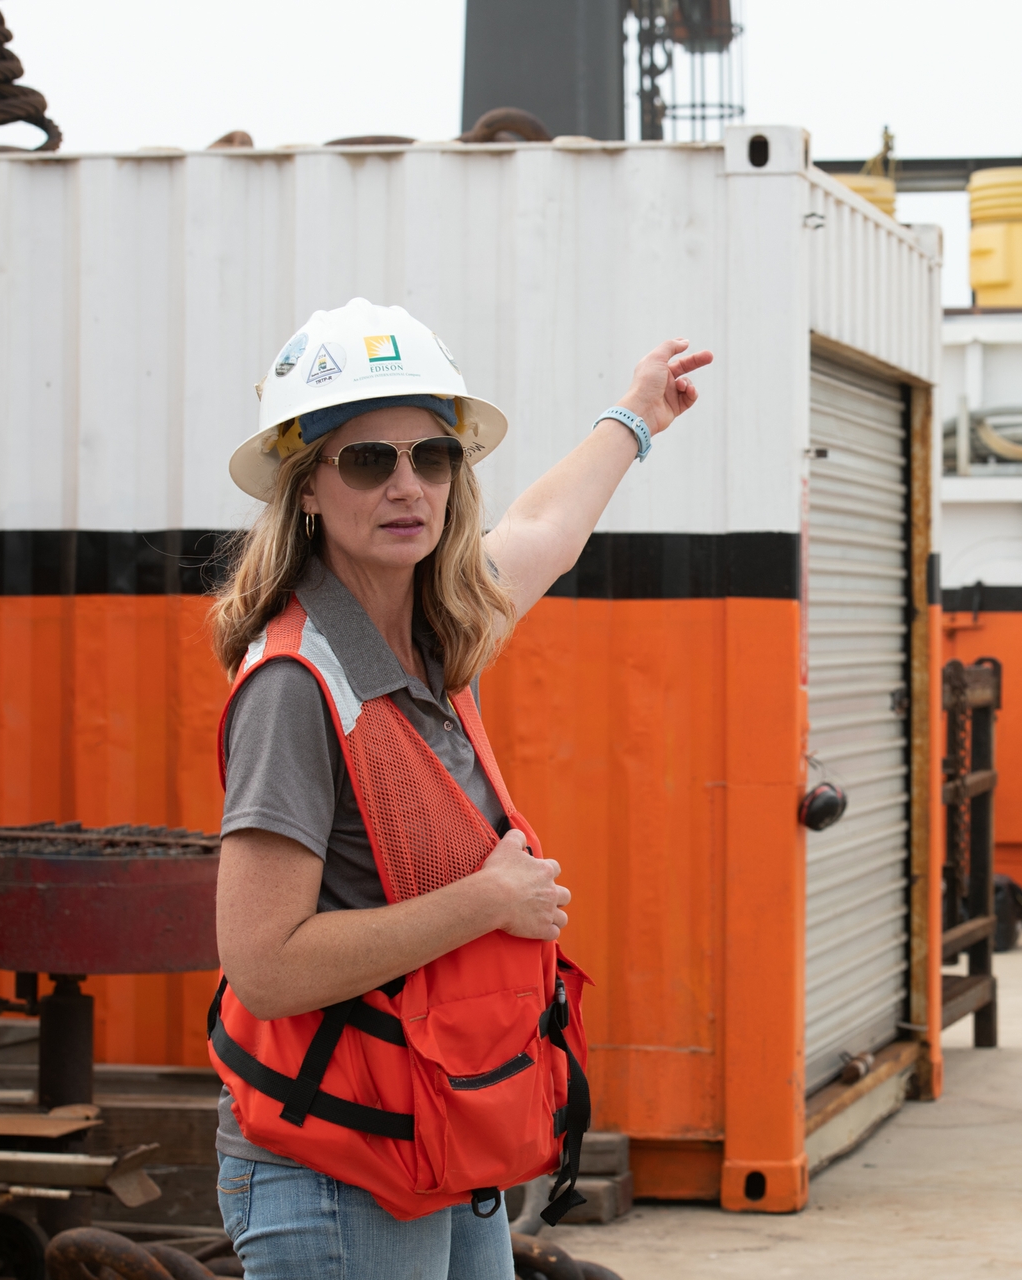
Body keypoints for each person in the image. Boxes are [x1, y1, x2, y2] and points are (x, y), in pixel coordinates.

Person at [205, 298, 710, 1279]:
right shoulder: (294, 682)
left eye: (431, 457)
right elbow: (263, 963)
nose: (408, 486)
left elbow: (544, 528)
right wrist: (490, 898)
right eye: (368, 460)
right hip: (339, 1166)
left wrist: (637, 416)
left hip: (440, 1130)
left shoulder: (433, 636)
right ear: (305, 485)